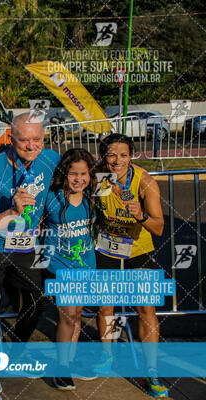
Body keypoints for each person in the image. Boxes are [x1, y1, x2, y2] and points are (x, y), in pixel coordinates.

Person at [0, 113, 60, 399]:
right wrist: (12, 211)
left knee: (38, 301)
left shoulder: (49, 160)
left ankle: (15, 349)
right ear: (11, 139)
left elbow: (80, 175)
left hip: (25, 247)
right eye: (24, 140)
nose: (31, 145)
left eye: (37, 139)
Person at [94, 134, 167, 398]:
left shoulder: (144, 182)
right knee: (106, 306)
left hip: (139, 248)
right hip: (107, 247)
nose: (117, 161)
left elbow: (158, 227)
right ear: (104, 156)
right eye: (112, 154)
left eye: (123, 155)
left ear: (131, 156)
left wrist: (141, 215)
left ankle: (151, 371)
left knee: (145, 308)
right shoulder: (100, 176)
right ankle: (107, 356)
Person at [41, 148, 97, 390]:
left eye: (84, 173)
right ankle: (61, 368)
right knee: (68, 316)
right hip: (60, 266)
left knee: (76, 316)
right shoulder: (51, 197)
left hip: (86, 264)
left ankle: (69, 360)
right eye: (73, 173)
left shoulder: (94, 196)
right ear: (64, 174)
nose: (79, 179)